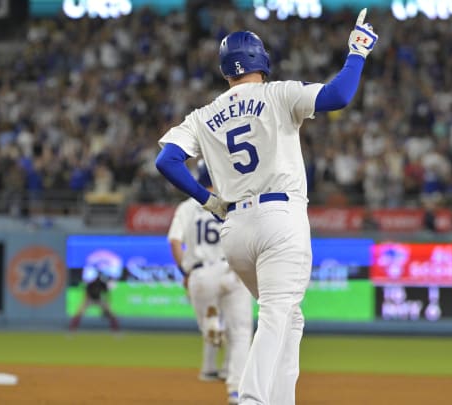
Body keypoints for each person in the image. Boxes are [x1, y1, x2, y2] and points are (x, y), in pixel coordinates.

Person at [155, 9, 377, 404]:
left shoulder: (203, 116)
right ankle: (252, 398)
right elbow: (339, 95)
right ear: (261, 60)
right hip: (281, 218)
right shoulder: (278, 93)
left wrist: (207, 200)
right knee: (277, 313)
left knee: (290, 316)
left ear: (226, 71)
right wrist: (357, 52)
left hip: (235, 229)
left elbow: (166, 160)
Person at [167, 161, 253, 403]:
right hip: (231, 270)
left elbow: (174, 242)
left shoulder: (186, 207)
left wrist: (185, 271)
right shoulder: (233, 201)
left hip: (201, 273)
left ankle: (213, 325)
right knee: (242, 333)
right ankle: (236, 390)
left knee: (209, 328)